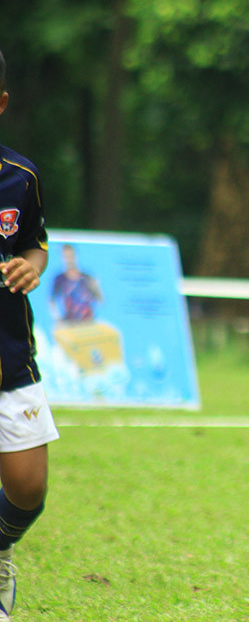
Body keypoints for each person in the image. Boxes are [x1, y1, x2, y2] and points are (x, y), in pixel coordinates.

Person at [0, 48, 61, 621]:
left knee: (27, 490)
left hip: (10, 361)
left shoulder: (21, 177)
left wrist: (32, 266)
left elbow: (33, 242)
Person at [49, 243, 102, 322]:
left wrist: (97, 288)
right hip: (70, 322)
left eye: (71, 256)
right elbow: (52, 301)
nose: (69, 259)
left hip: (88, 321)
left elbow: (100, 299)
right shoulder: (59, 279)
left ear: (75, 256)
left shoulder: (87, 278)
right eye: (66, 257)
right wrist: (58, 319)